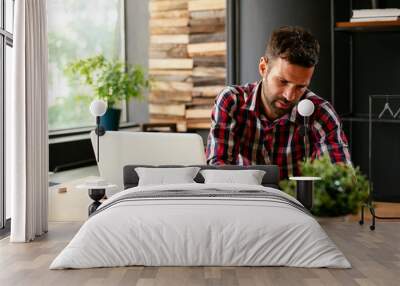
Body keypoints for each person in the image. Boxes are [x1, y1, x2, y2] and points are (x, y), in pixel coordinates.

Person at [206, 26, 352, 179]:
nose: (289, 96)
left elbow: (339, 179)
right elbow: (218, 171)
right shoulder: (232, 101)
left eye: (301, 86)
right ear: (263, 68)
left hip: (299, 202)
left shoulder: (321, 114)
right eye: (283, 81)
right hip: (245, 199)